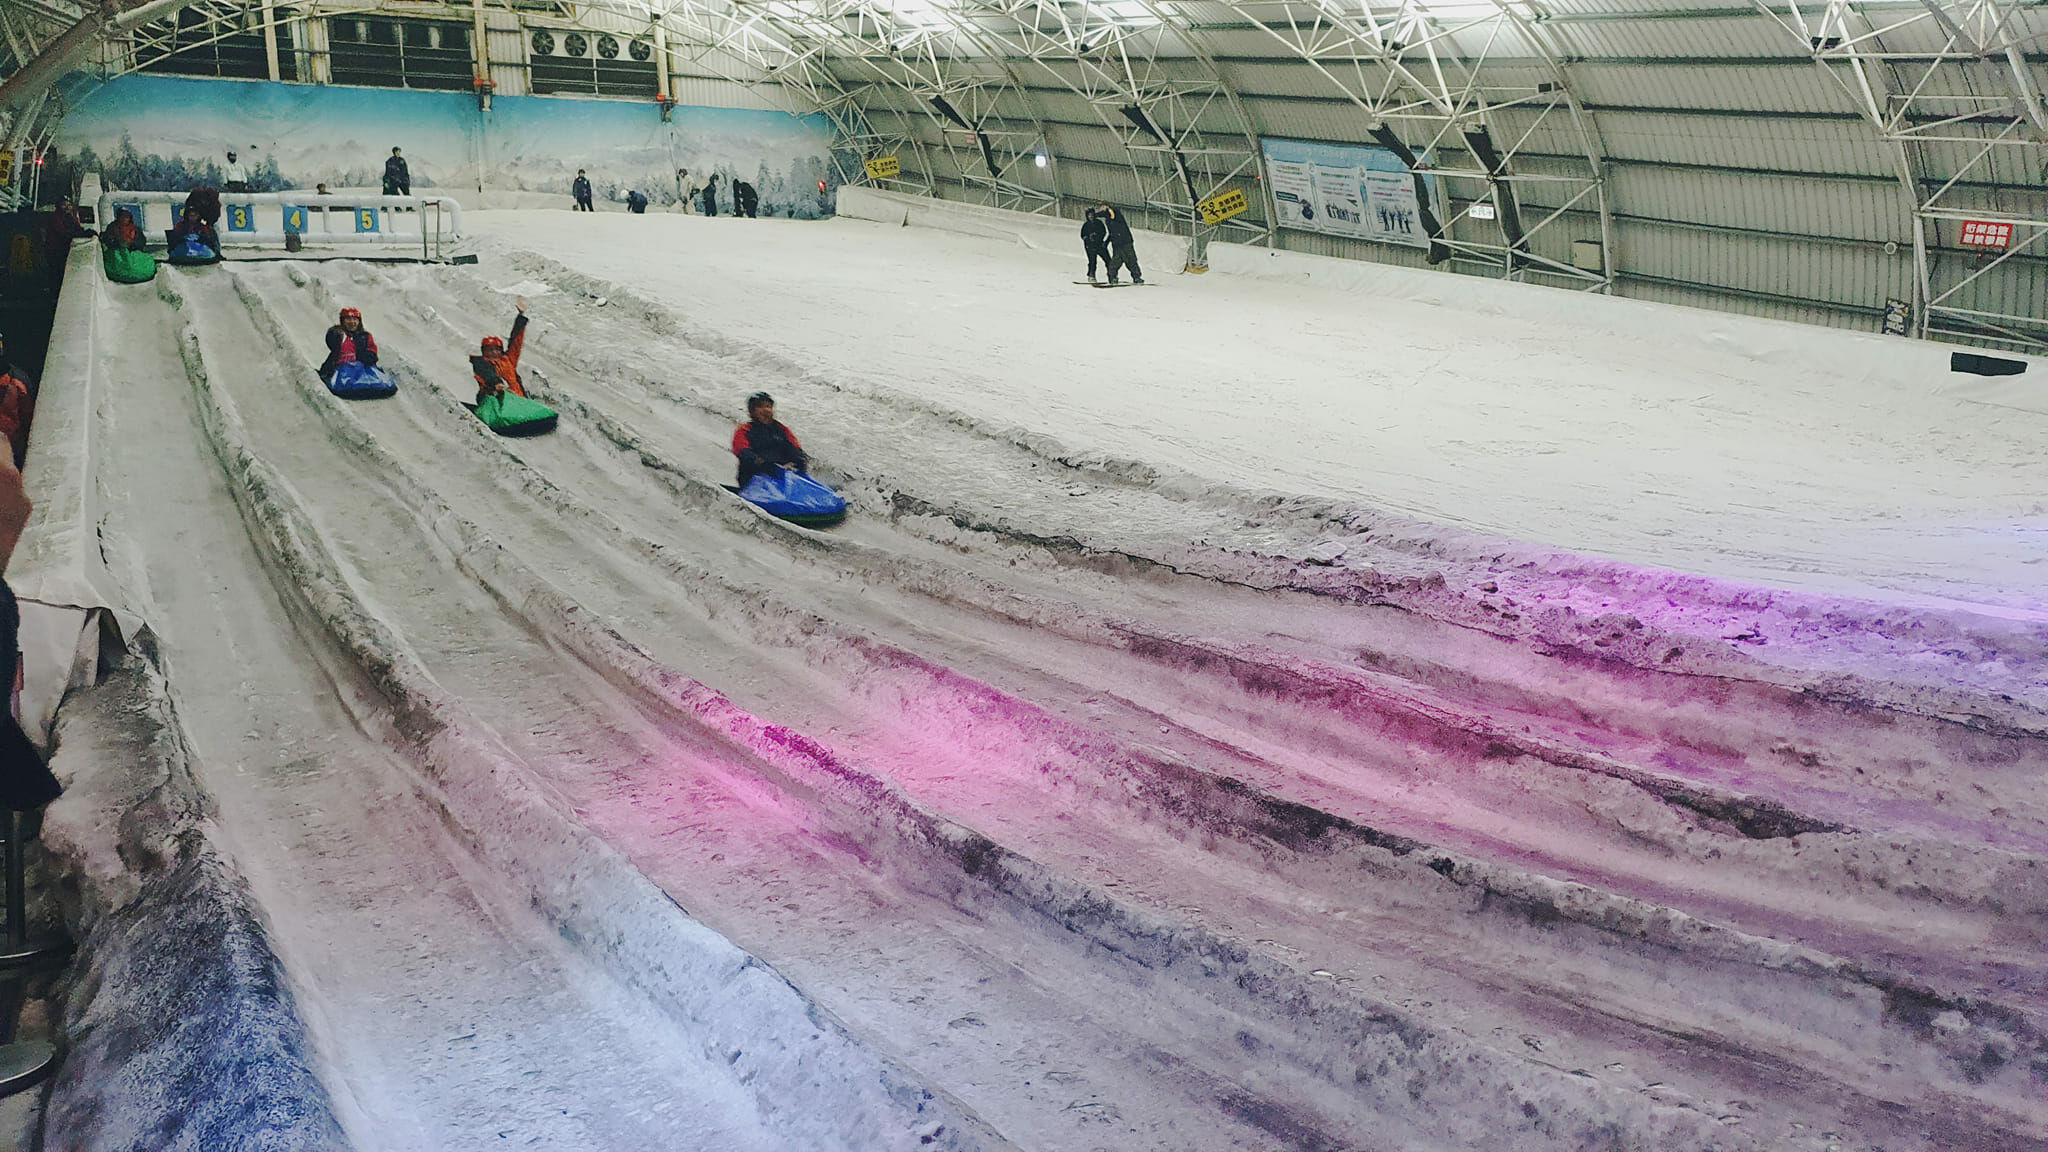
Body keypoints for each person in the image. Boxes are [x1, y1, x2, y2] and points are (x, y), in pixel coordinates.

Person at [731, 391, 807, 488]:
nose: (766, 410)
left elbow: (797, 451)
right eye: (760, 406)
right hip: (754, 477)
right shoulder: (744, 430)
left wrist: (797, 463)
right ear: (752, 411)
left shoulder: (782, 429)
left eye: (768, 406)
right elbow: (743, 453)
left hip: (783, 477)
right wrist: (766, 464)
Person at [472, 297, 530, 402]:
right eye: (490, 349)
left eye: (496, 349)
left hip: (518, 400)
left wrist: (521, 316)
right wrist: (496, 383)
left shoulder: (508, 360)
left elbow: (516, 342)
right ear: (484, 351)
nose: (494, 352)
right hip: (497, 400)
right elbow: (487, 373)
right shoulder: (481, 362)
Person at [319, 306, 379, 385]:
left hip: (361, 369)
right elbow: (331, 342)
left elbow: (373, 354)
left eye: (355, 319)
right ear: (343, 321)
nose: (352, 322)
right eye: (348, 319)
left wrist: (360, 358)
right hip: (339, 369)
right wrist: (335, 333)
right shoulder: (338, 334)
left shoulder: (365, 336)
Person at [1097, 202, 1142, 285]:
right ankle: (1112, 277)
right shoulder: (1109, 220)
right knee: (1115, 261)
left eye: (1103, 207)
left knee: (1131, 260)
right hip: (1117, 243)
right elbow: (1111, 232)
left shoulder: (1115, 213)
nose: (1102, 209)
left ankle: (1136, 277)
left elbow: (1110, 213)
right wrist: (1106, 242)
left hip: (1126, 241)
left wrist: (1098, 214)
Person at [42, 198, 89, 272]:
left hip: (66, 248)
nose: (67, 207)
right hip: (56, 250)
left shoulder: (71, 216)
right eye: (64, 205)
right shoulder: (56, 217)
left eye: (69, 205)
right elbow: (63, 233)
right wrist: (78, 234)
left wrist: (86, 233)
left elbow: (77, 228)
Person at [1080, 208, 1108, 283]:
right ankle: (1091, 275)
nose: (1091, 216)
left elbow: (1103, 232)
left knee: (1108, 260)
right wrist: (1089, 238)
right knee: (1092, 261)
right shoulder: (1086, 225)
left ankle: (1112, 275)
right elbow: (1083, 235)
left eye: (1092, 215)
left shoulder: (1099, 223)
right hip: (1090, 246)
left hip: (1100, 245)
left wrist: (1097, 236)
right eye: (1089, 215)